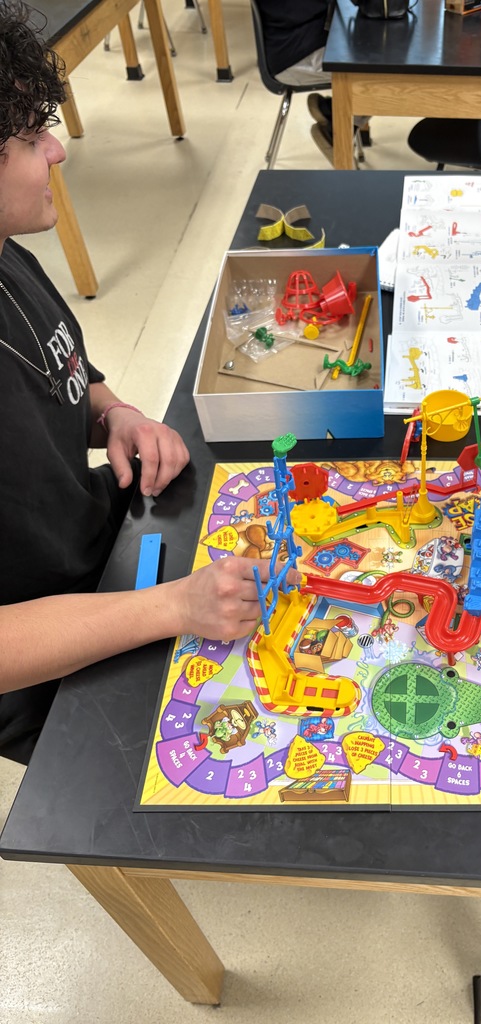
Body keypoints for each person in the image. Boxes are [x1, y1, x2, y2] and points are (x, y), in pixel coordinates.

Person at [0, 0, 297, 766]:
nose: (58, 151)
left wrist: (117, 413)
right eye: (31, 139)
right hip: (46, 669)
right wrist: (173, 607)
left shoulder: (9, 256)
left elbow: (65, 373)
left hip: (106, 547)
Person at [253, 0, 371, 162]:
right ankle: (341, 128)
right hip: (294, 55)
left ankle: (337, 113)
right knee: (383, 67)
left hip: (295, 41)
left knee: (382, 47)